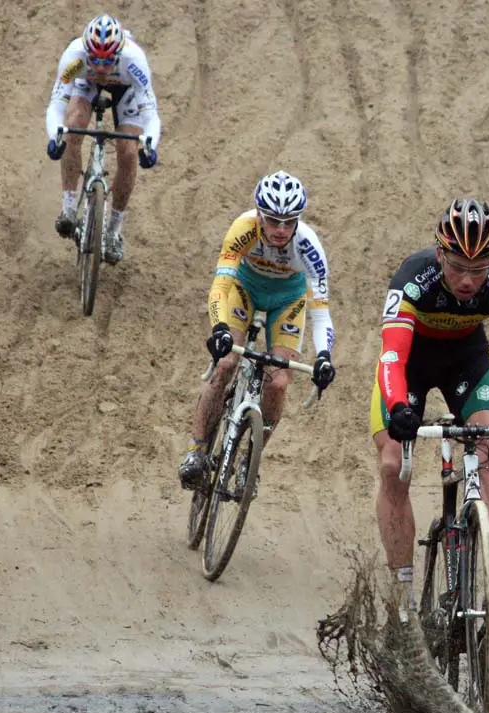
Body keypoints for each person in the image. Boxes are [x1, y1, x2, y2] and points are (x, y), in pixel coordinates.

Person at [371, 198, 489, 623]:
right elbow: (391, 357)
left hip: (468, 363)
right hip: (411, 366)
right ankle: (401, 593)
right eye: (458, 266)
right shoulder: (412, 279)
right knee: (392, 465)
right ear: (440, 253)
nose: (466, 280)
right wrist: (399, 407)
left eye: (478, 270)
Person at [178, 171, 336, 490]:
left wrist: (324, 357)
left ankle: (252, 456)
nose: (280, 230)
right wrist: (220, 328)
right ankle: (196, 450)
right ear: (260, 215)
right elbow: (221, 285)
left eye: (288, 222)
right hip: (245, 288)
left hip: (287, 299)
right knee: (225, 364)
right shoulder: (243, 227)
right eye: (273, 221)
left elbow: (320, 312)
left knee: (277, 383)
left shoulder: (309, 247)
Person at [45, 14, 161, 265]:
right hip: (85, 84)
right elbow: (57, 103)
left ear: (118, 54)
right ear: (87, 51)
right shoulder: (75, 59)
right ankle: (68, 208)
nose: (100, 67)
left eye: (107, 61)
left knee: (129, 153)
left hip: (125, 89)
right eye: (95, 59)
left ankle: (113, 231)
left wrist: (150, 144)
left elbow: (150, 113)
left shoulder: (134, 61)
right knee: (72, 127)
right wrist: (55, 136)